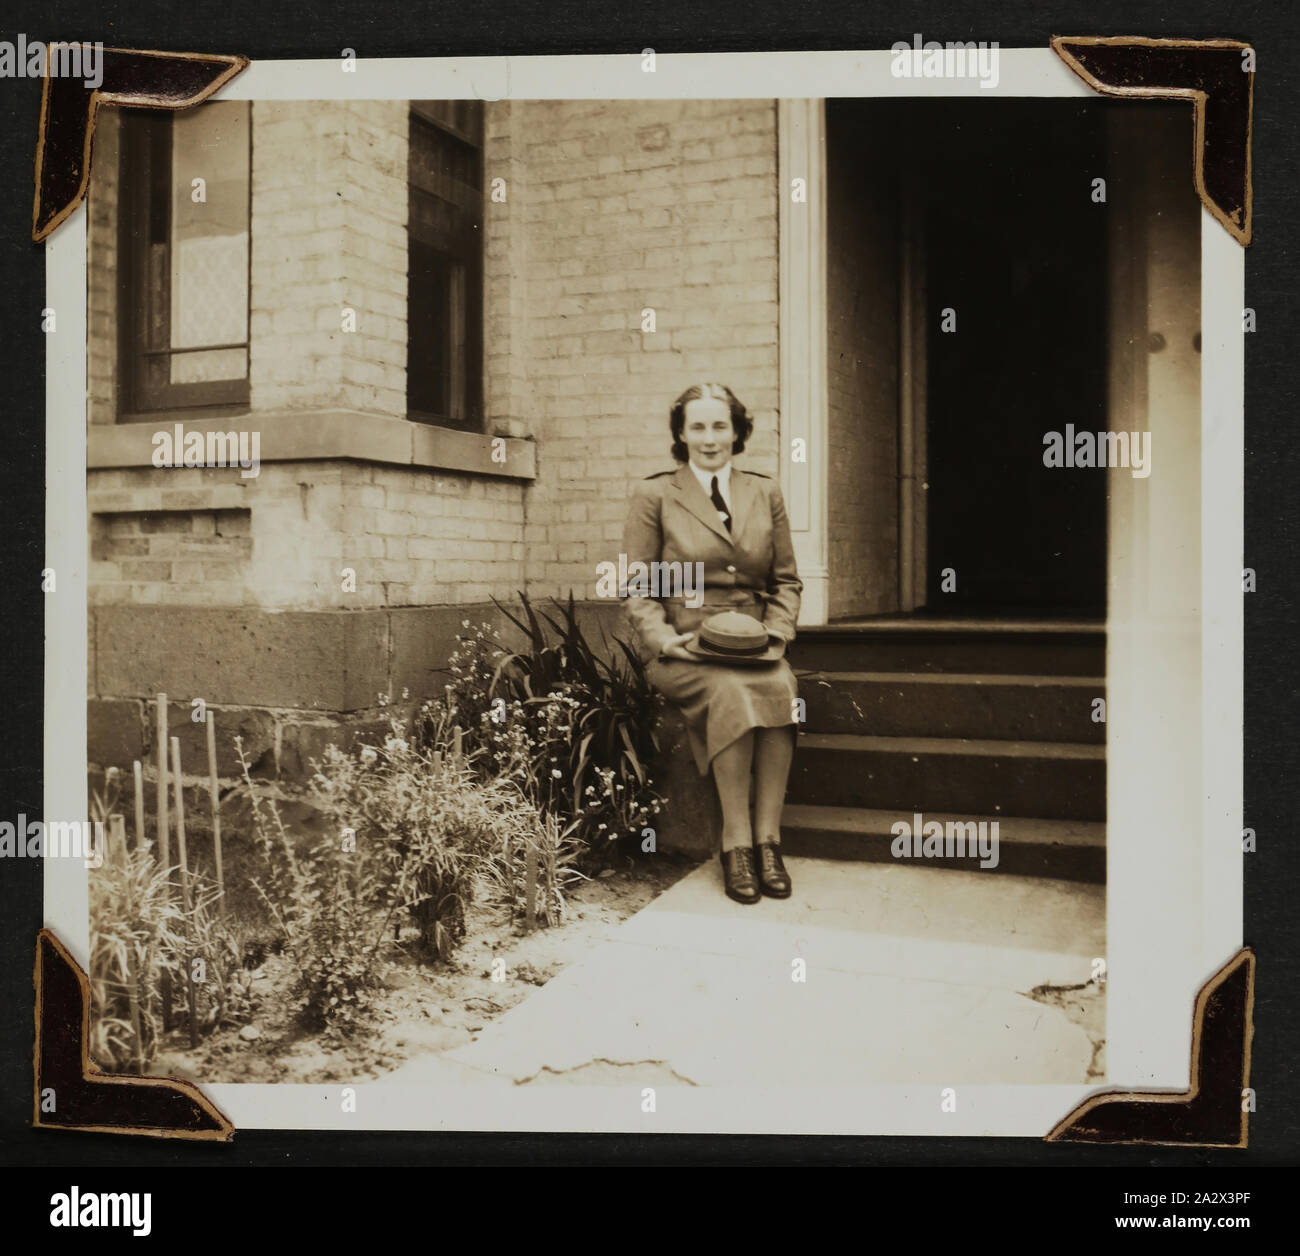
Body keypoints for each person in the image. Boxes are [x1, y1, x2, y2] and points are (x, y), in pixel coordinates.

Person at [622, 382, 803, 905]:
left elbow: (787, 580)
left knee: (781, 688)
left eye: (719, 425)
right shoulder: (655, 494)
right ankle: (736, 844)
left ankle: (770, 842)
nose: (709, 438)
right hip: (685, 646)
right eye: (697, 426)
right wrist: (662, 638)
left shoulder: (764, 491)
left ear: (737, 431)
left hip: (754, 643)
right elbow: (635, 585)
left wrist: (779, 632)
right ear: (681, 434)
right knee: (730, 693)